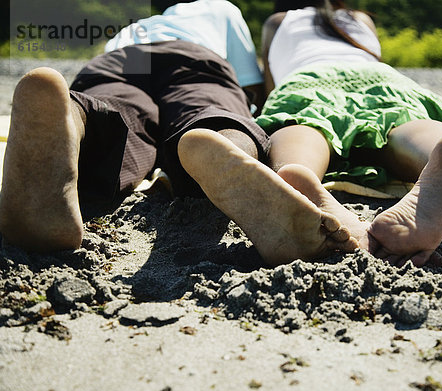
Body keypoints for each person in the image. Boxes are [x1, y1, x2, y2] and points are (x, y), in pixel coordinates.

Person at [0, 0, 358, 266]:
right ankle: (219, 139)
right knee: (211, 107)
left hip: (120, 60)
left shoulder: (136, 23)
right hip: (193, 56)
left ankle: (74, 117)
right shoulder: (221, 9)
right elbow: (250, 85)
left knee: (119, 117)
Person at [257, 0, 442, 266]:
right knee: (396, 122)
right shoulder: (361, 18)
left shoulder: (278, 21)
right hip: (381, 80)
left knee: (304, 124)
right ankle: (437, 148)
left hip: (307, 79)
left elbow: (269, 87)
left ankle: (296, 172)